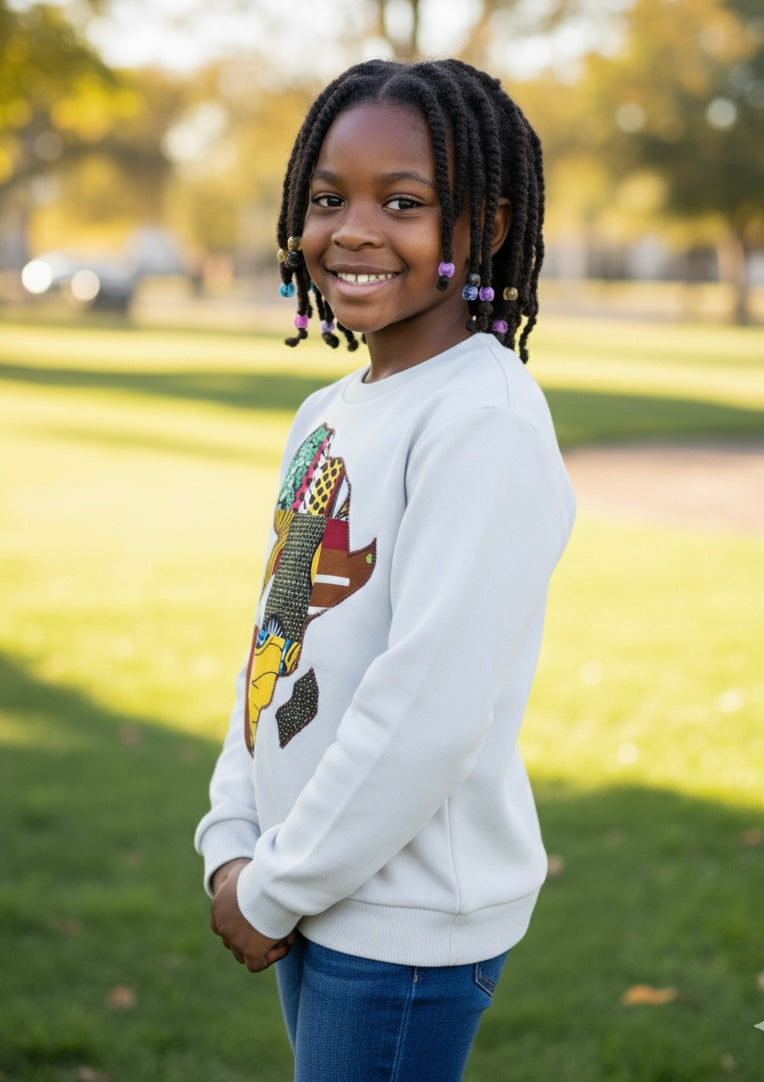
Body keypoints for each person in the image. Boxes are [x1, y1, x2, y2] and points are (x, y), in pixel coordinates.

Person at [194, 57, 576, 1082]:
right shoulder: (323, 417)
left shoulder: (480, 418)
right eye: (328, 199)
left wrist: (271, 886)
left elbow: (428, 707)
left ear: (486, 226)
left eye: (401, 202)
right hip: (303, 877)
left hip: (401, 918)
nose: (352, 229)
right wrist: (234, 835)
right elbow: (277, 639)